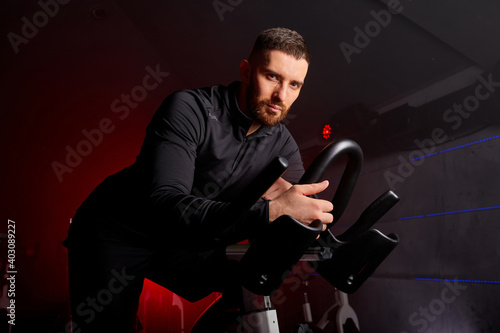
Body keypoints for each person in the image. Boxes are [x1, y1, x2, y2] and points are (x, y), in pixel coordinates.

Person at [63, 27, 333, 333]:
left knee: (249, 278)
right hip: (116, 232)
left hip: (182, 244)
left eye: (294, 84)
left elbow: (297, 211)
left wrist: (311, 223)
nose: (281, 96)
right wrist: (270, 210)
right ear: (246, 71)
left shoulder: (282, 143)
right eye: (272, 77)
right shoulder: (189, 109)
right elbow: (166, 204)